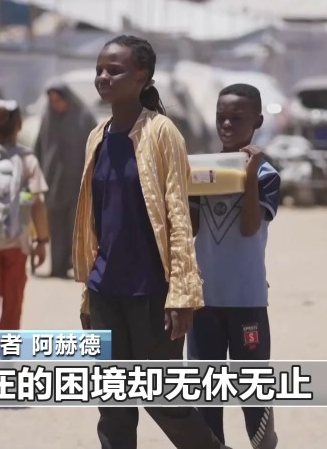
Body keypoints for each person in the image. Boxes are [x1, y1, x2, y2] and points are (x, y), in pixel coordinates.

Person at [72, 35, 228, 449]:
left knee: (163, 400)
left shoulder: (161, 132)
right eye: (99, 69)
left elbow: (178, 213)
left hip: (151, 292)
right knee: (113, 404)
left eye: (115, 70)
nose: (103, 77)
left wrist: (182, 294)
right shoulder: (97, 136)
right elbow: (95, 221)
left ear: (142, 76)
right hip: (105, 289)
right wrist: (88, 296)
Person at [187, 83, 281, 449]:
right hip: (205, 299)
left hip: (246, 299)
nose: (226, 124)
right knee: (206, 392)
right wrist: (185, 186)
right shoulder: (204, 169)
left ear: (257, 120)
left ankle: (264, 442)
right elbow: (193, 227)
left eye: (236, 118)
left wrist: (248, 175)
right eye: (221, 117)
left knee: (251, 389)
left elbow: (248, 227)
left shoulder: (266, 174)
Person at [0, 98, 50, 330]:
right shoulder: (27, 160)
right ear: (19, 125)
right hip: (16, 244)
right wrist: (42, 241)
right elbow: (37, 203)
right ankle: (6, 352)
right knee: (11, 306)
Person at [34, 82, 96, 278]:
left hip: (78, 181)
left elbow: (96, 147)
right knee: (56, 225)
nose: (56, 105)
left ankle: (76, 265)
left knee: (75, 226)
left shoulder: (84, 117)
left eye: (58, 100)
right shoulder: (48, 119)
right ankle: (58, 267)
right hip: (53, 182)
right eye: (52, 101)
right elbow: (40, 147)